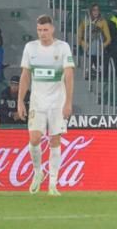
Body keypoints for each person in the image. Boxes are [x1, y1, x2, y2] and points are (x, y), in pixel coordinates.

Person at [18, 15, 75, 196]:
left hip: (57, 101)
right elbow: (25, 76)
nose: (43, 33)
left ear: (52, 29)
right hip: (37, 101)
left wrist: (68, 102)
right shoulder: (30, 48)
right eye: (40, 30)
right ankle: (38, 172)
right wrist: (20, 100)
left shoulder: (62, 47)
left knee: (55, 140)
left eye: (45, 30)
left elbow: (69, 76)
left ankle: (53, 183)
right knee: (34, 139)